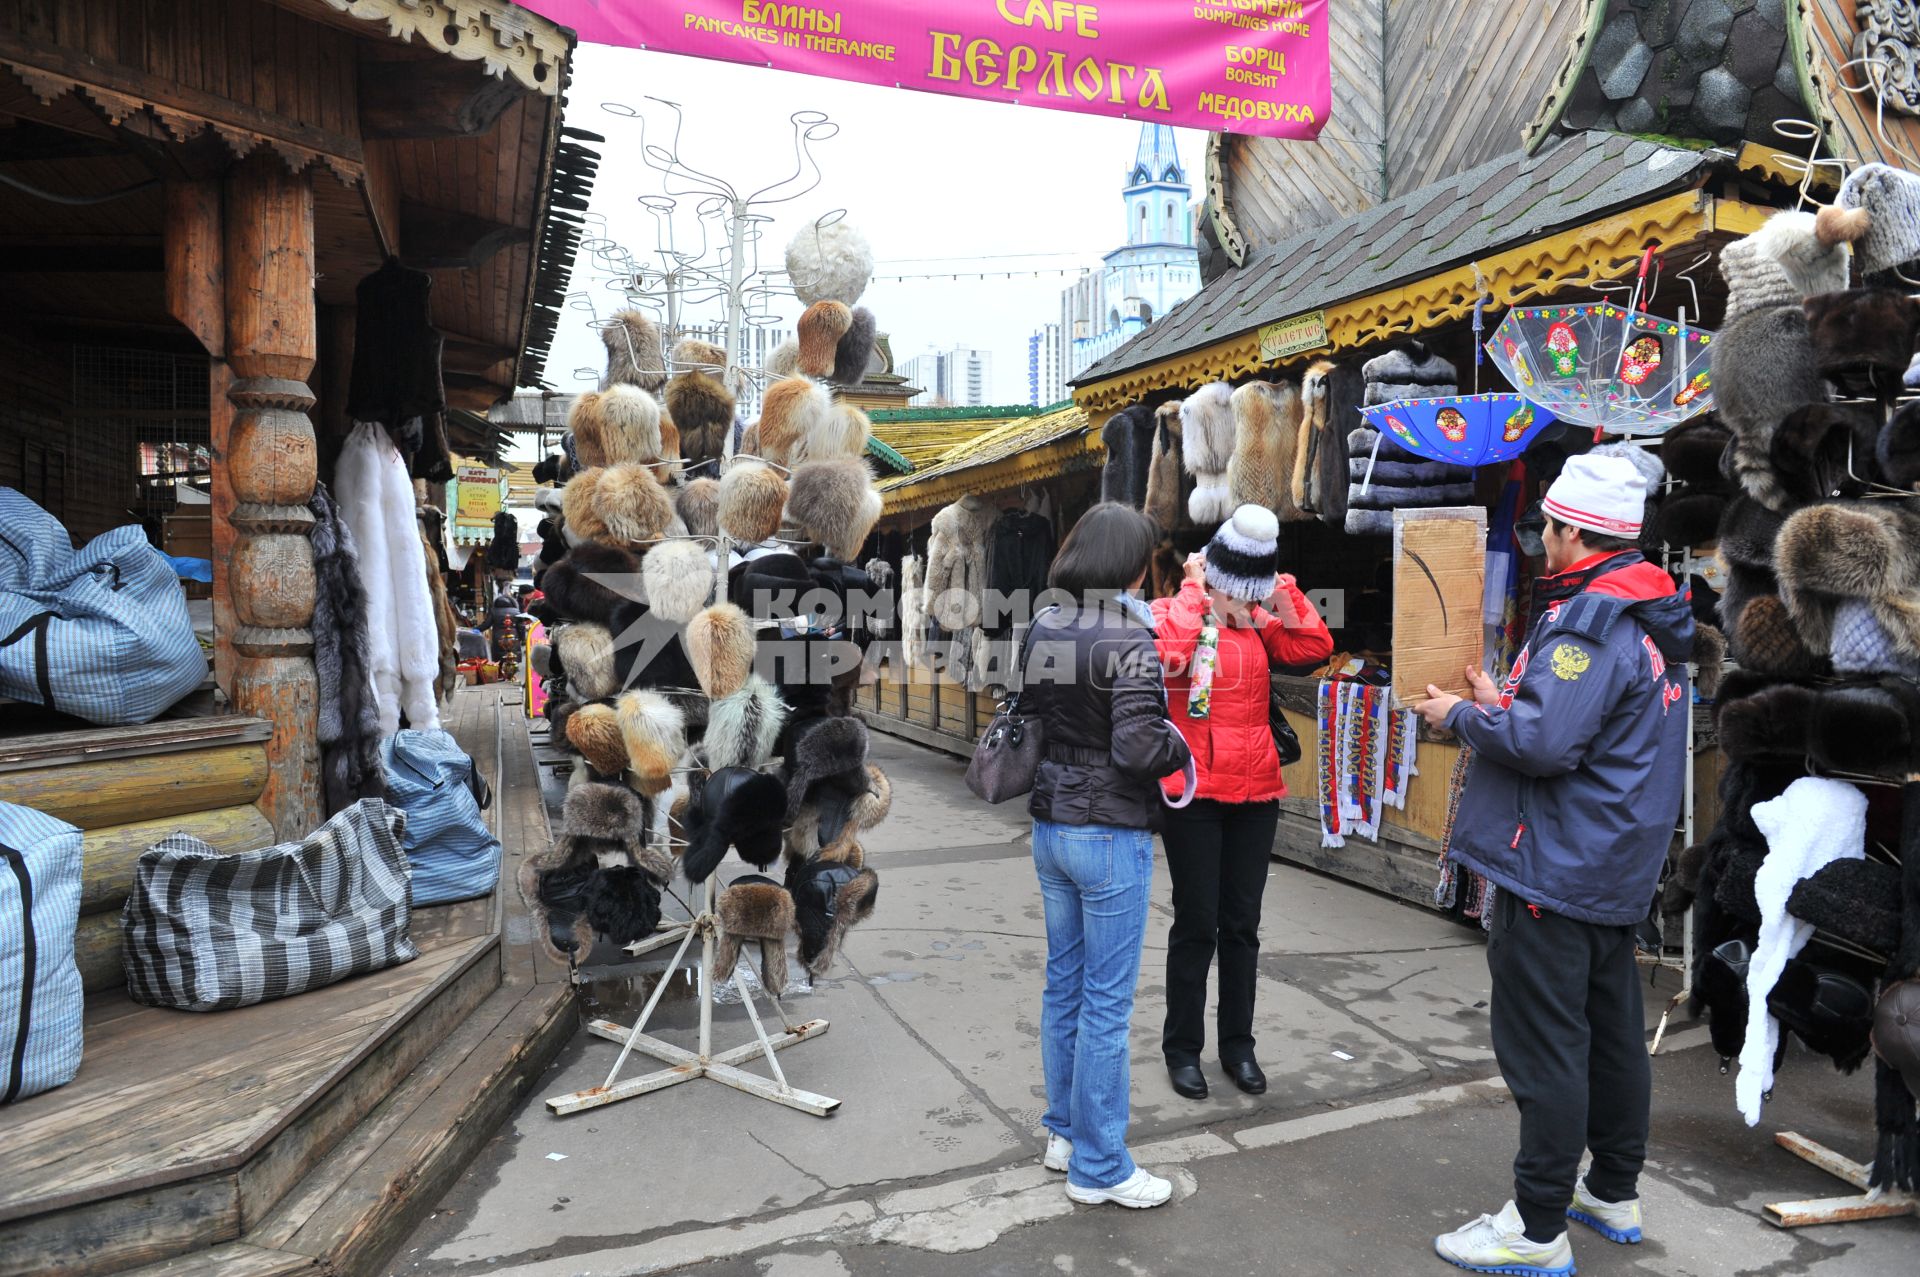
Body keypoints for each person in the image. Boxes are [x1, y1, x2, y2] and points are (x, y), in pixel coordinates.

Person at [1414, 455, 1692, 1276]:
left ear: (1576, 531)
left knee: (1546, 1044)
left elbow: (1543, 744)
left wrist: (1464, 713)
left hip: (1558, 865)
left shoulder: (1592, 618)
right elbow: (1580, 727)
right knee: (1611, 1036)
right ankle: (1611, 1187)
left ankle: (1534, 1227)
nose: (1540, 537)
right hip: (1611, 864)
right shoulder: (1654, 608)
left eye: (1549, 525)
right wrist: (1507, 698)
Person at [1019, 502, 1193, 1209]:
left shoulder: (1044, 621)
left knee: (1065, 983)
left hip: (1052, 824)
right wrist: (1179, 743)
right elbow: (1137, 747)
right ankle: (1100, 1164)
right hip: (1109, 830)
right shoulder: (1130, 634)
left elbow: (1030, 711)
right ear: (1128, 561)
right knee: (1106, 1004)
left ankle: (1064, 1134)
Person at [1151, 504, 1334, 1100]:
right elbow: (1169, 655)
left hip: (1257, 792)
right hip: (1195, 794)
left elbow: (1313, 645)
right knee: (1196, 925)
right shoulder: (1175, 611)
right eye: (1232, 585)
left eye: (1243, 586)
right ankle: (1182, 1049)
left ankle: (1238, 1047)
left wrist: (1278, 587)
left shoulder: (1260, 622)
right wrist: (1195, 588)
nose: (1237, 598)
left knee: (1242, 927)